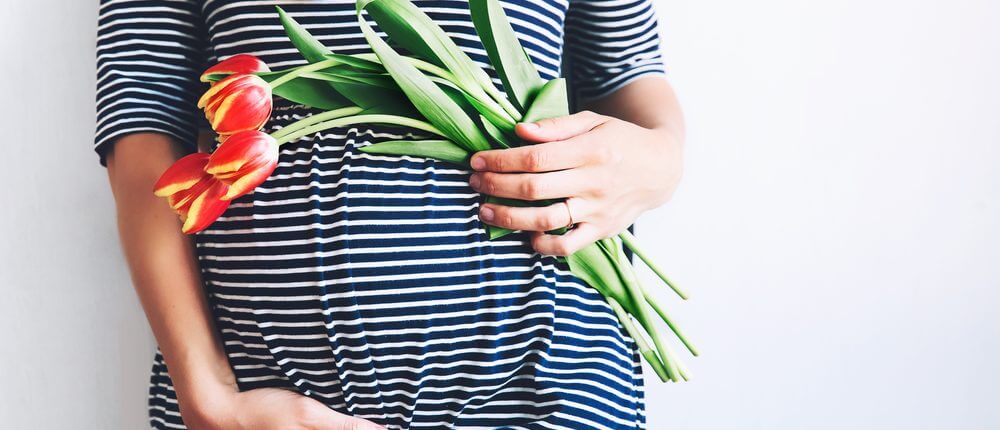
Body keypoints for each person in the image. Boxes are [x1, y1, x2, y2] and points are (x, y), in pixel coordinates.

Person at [96, 0, 684, 428]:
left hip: (545, 382)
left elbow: (629, 79)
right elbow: (140, 118)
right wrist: (208, 396)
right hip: (259, 393)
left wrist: (659, 164)